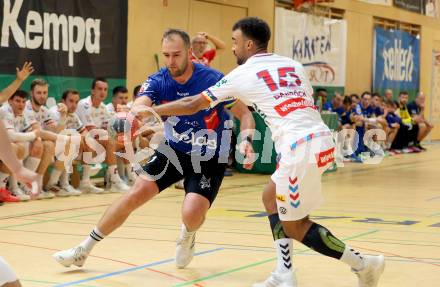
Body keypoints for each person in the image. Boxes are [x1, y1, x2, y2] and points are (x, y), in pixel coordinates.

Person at [147, 17, 385, 287]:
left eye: (235, 42)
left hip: (299, 147)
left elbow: (193, 104)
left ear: (249, 44)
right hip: (320, 139)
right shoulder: (293, 65)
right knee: (270, 196)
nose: (233, 49)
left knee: (296, 225)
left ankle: (365, 265)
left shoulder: (243, 73)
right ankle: (285, 272)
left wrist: (152, 111)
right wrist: (247, 139)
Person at [53, 28, 255, 270]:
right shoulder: (158, 80)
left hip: (209, 154)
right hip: (174, 150)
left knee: (192, 212)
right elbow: (140, 104)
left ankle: (188, 235)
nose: (171, 61)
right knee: (136, 193)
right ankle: (83, 249)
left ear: (189, 53)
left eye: (176, 55)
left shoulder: (213, 79)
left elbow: (244, 114)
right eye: (166, 55)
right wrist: (133, 116)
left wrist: (246, 139)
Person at [75, 78, 130, 193]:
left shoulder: (103, 107)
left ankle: (130, 177)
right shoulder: (84, 104)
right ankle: (115, 181)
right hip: (78, 142)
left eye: (105, 89)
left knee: (124, 142)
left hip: (95, 141)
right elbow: (91, 130)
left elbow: (109, 129)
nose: (102, 92)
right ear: (92, 91)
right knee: (109, 141)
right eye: (99, 89)